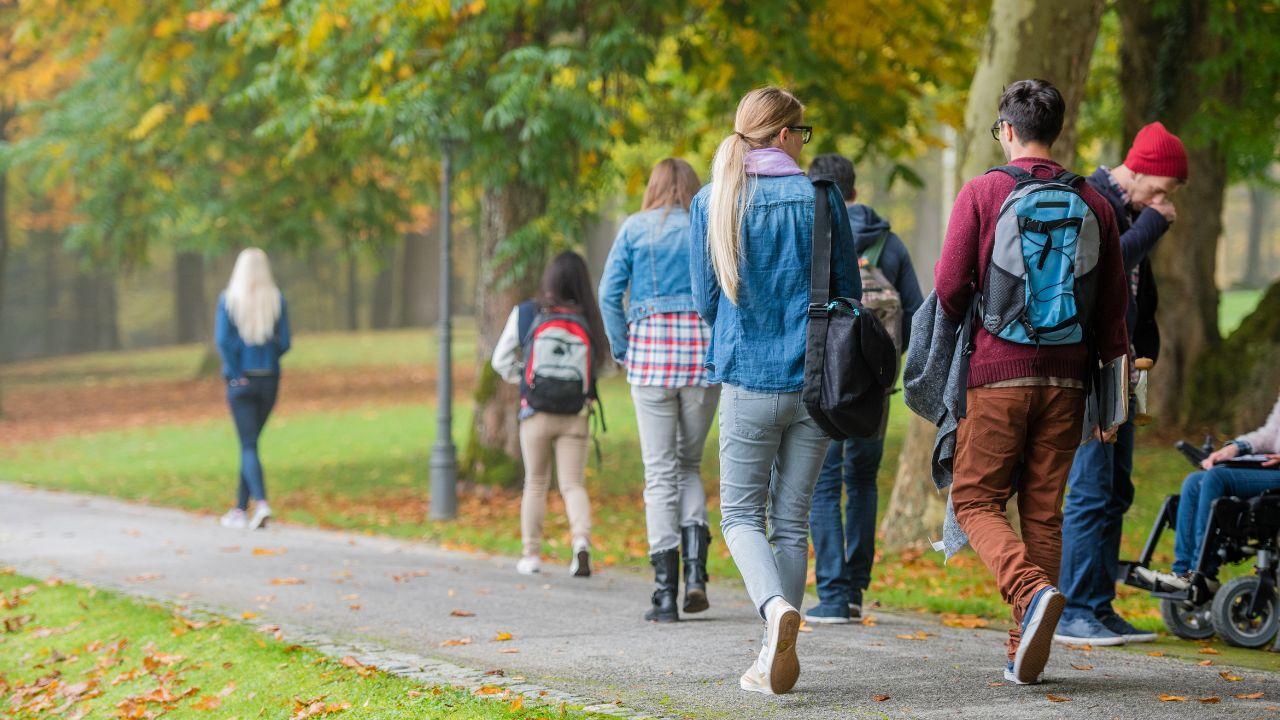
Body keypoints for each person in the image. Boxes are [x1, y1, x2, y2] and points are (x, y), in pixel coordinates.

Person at [935, 79, 1128, 685]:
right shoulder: (1096, 203)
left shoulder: (984, 191)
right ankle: (1027, 646)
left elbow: (947, 286)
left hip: (998, 374)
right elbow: (1113, 311)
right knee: (1044, 510)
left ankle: (1029, 590)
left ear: (1007, 130)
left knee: (974, 498)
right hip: (1071, 378)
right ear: (1057, 131)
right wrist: (1111, 396)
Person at [690, 86, 859, 695]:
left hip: (746, 379)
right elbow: (847, 294)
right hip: (815, 384)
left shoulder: (713, 200)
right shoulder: (822, 198)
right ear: (785, 135)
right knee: (791, 522)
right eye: (804, 133)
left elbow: (706, 301)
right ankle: (772, 650)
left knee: (738, 515)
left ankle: (773, 612)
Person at [1056, 122, 1188, 646]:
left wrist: (1147, 342)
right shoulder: (1095, 202)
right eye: (1161, 189)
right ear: (1142, 171)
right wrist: (1154, 221)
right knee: (1089, 488)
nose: (1164, 202)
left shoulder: (1133, 211)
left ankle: (1100, 605)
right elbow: (1106, 268)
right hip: (1089, 369)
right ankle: (1073, 611)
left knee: (1116, 490)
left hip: (1124, 369)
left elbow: (1139, 288)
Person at [598, 158, 721, 623]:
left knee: (659, 472)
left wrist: (623, 349)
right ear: (691, 187)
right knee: (688, 464)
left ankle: (664, 595)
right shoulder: (706, 226)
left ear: (652, 187)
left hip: (650, 361)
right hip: (701, 359)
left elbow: (610, 294)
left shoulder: (634, 228)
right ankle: (695, 577)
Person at [803, 154, 923, 624]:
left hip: (826, 385)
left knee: (825, 483)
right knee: (863, 481)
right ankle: (854, 590)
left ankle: (832, 595)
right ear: (852, 191)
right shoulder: (888, 242)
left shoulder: (815, 234)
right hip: (874, 389)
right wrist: (884, 366)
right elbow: (914, 309)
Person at [492, 251, 608, 578]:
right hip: (576, 414)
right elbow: (607, 367)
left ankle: (531, 555)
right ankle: (581, 544)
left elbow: (499, 360)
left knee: (536, 483)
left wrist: (526, 380)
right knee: (573, 484)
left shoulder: (527, 312)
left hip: (536, 414)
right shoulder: (589, 317)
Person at [1141, 394, 1280, 590]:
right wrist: (1234, 448)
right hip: (1268, 467)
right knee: (1194, 481)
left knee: (1216, 478)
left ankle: (1202, 571)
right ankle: (1182, 572)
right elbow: (1269, 435)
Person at [215, 248, 291, 531]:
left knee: (248, 444)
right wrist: (268, 359)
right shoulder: (276, 300)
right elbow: (285, 343)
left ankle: (259, 503)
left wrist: (236, 373)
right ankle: (238, 509)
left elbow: (223, 340)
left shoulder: (229, 300)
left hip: (241, 381)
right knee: (251, 444)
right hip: (268, 379)